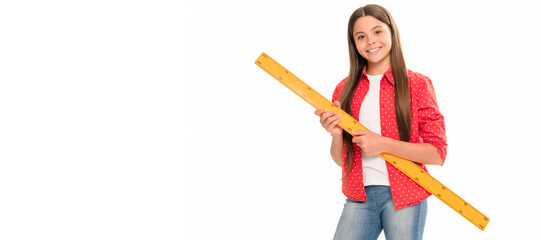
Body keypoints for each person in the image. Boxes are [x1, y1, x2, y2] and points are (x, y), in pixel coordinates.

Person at [314, 4, 447, 240]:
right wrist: (335, 134)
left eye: (377, 32)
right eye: (361, 36)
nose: (370, 41)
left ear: (391, 32)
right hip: (359, 197)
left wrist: (382, 144)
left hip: (406, 196)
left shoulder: (417, 84)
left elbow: (437, 154)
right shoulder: (344, 90)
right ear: (353, 43)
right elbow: (341, 161)